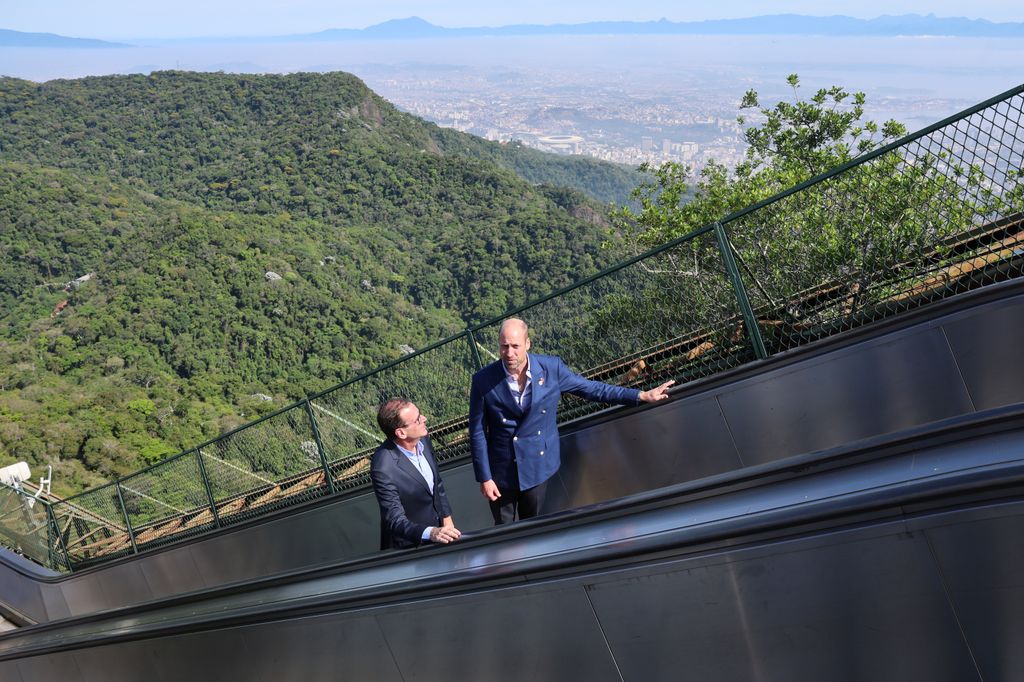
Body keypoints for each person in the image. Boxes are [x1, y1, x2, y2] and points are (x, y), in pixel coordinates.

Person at [469, 318, 674, 524]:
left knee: (535, 527)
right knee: (504, 530)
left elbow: (592, 389)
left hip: (538, 466)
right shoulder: (483, 380)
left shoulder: (551, 369)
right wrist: (485, 477)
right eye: (504, 346)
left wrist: (640, 395)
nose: (509, 353)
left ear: (528, 343)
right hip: (501, 472)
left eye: (515, 346)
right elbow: (477, 431)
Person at [370, 398, 461, 549]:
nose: (424, 419)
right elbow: (394, 520)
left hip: (442, 534)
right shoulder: (383, 468)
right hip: (410, 546)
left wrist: (447, 520)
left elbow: (437, 484)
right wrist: (431, 533)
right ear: (401, 433)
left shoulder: (422, 438)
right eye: (417, 419)